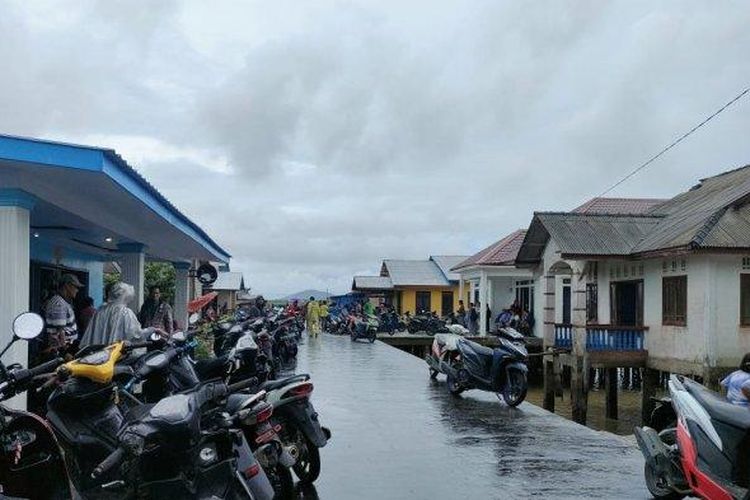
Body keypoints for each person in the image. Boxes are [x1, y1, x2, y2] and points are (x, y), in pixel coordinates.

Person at [80, 282, 164, 347]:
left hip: (97, 356)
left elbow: (90, 335)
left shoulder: (100, 310)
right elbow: (136, 335)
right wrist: (152, 329)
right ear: (125, 296)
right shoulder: (125, 313)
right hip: (116, 357)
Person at [41, 274, 83, 359]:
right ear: (67, 286)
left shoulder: (62, 302)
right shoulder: (59, 304)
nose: (77, 290)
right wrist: (65, 352)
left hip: (65, 348)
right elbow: (60, 332)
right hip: (61, 352)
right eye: (76, 287)